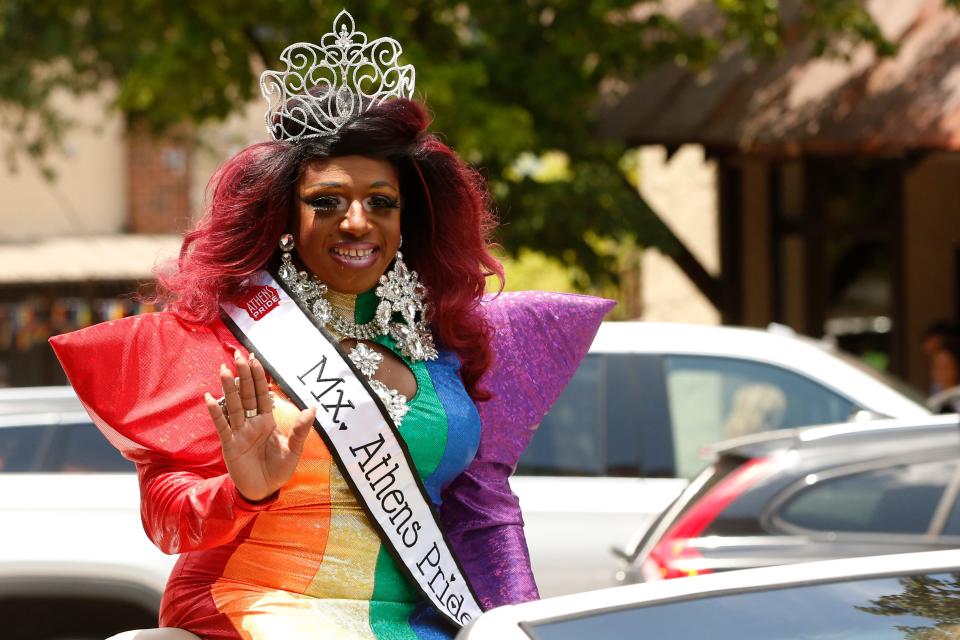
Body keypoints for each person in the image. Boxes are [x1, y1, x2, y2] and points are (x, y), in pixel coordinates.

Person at [50, 11, 611, 640]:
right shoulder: (219, 341)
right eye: (327, 201)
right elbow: (168, 518)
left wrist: (517, 624)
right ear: (284, 218)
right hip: (252, 614)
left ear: (407, 222)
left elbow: (482, 514)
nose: (355, 221)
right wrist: (243, 492)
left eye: (381, 202)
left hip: (418, 625)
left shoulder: (446, 348)